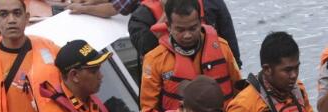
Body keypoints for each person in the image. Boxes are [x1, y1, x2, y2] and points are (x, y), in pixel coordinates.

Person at [138, 0, 243, 112]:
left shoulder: (222, 48)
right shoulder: (154, 60)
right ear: (168, 26)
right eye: (180, 30)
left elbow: (240, 91)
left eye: (193, 28)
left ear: (200, 22)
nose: (187, 35)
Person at [85, 0, 241, 68]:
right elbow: (145, 48)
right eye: (180, 29)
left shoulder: (212, 4)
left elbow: (232, 48)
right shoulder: (142, 16)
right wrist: (166, 15)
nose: (186, 35)